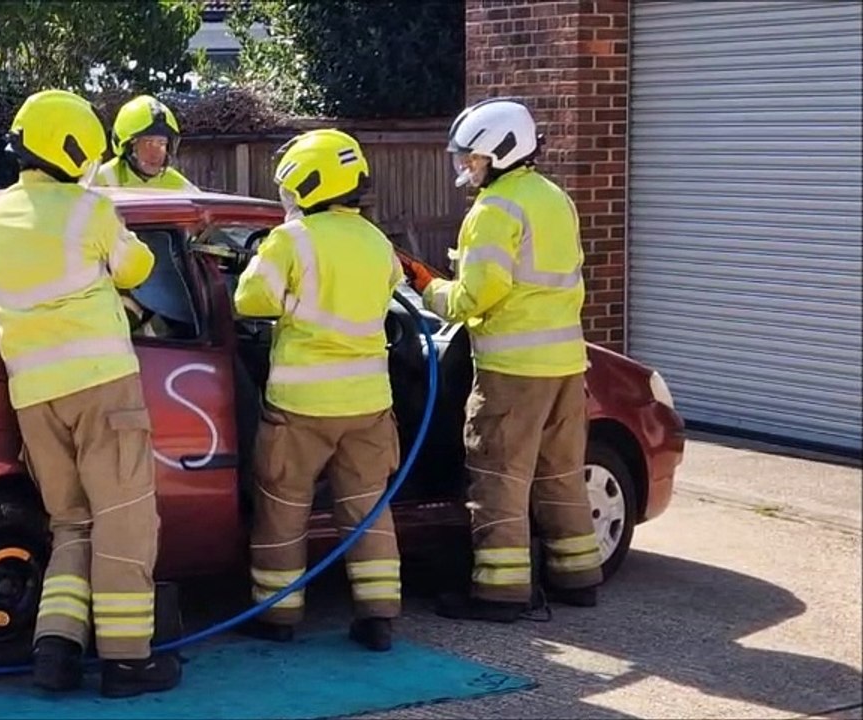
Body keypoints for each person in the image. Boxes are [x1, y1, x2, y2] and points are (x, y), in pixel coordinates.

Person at [0, 89, 180, 699]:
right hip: (100, 389)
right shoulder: (87, 211)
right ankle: (127, 662)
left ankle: (56, 649)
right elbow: (140, 269)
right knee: (125, 525)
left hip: (33, 397)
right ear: (72, 149)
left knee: (71, 525)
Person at [402, 98, 603, 623]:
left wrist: (430, 290)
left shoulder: (494, 210)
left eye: (472, 158)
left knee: (499, 476)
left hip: (513, 371)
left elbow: (478, 295)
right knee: (560, 473)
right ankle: (578, 576)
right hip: (566, 364)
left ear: (499, 152)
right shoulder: (554, 198)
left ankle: (498, 592)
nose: (466, 167)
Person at [234, 128, 403, 652]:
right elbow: (394, 297)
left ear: (309, 184)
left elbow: (248, 301)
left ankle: (278, 615)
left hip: (301, 408)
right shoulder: (378, 243)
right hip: (370, 406)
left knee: (283, 506)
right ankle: (378, 616)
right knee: (367, 509)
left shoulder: (292, 239)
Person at [94, 94, 198, 190]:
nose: (155, 154)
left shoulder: (179, 186)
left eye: (162, 143)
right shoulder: (99, 181)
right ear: (129, 146)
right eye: (148, 143)